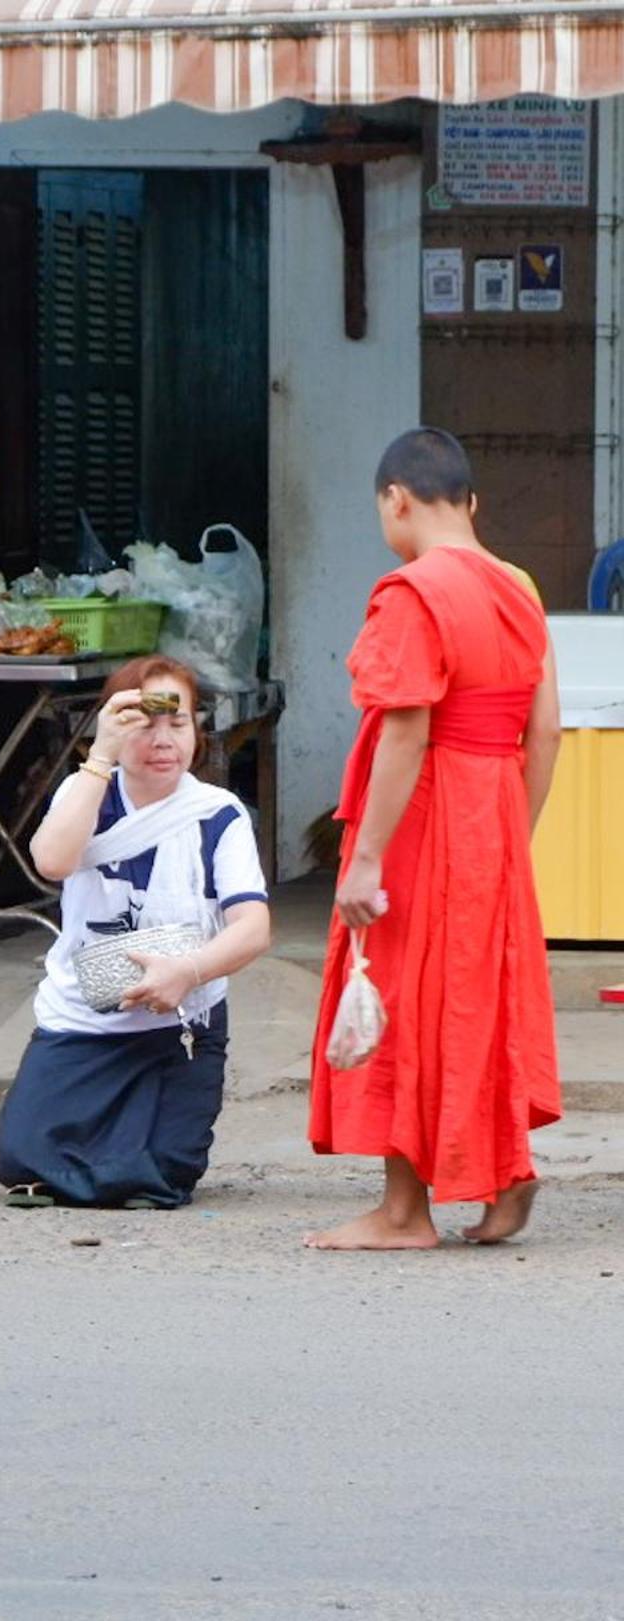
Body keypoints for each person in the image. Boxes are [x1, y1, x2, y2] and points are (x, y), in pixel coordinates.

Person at [306, 428, 562, 1251]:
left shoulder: (412, 592)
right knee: (478, 992)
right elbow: (547, 730)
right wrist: (512, 835)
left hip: (427, 808)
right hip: (494, 806)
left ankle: (404, 1212)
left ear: (397, 500)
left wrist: (370, 854)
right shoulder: (519, 588)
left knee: (405, 993)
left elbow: (406, 731)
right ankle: (506, 1173)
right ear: (473, 503)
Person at [0, 656, 273, 1209]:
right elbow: (51, 860)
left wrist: (186, 972)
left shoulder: (218, 814)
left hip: (181, 1020)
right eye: (144, 723)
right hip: (85, 1018)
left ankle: (121, 1168)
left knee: (164, 1173)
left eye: (178, 722)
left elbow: (254, 929)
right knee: (22, 1159)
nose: (163, 740)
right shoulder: (86, 790)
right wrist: (100, 755)